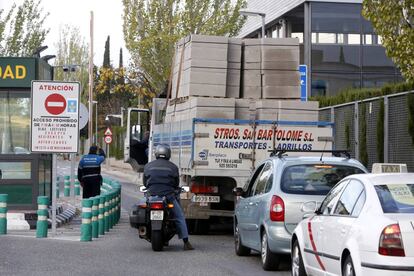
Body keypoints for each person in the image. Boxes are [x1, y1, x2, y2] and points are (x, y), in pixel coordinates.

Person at [143, 144, 194, 250]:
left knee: (144, 209)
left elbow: (145, 182)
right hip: (168, 196)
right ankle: (186, 242)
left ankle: (143, 229)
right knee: (179, 217)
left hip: (152, 195)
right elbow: (176, 184)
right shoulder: (173, 167)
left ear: (156, 153)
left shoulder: (148, 166)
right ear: (168, 154)